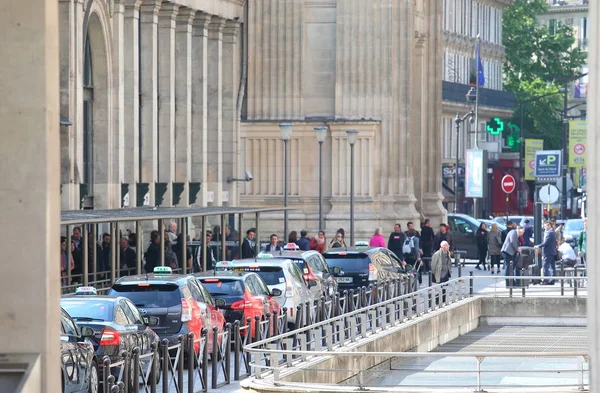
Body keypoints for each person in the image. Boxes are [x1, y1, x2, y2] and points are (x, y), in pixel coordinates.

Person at [501, 222, 524, 287]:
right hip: (507, 252)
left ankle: (512, 282)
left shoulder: (515, 233)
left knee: (511, 267)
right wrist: (517, 249)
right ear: (519, 230)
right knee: (509, 267)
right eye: (522, 233)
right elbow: (512, 242)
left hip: (510, 252)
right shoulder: (513, 232)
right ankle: (508, 283)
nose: (522, 234)